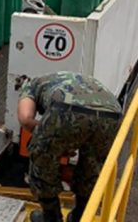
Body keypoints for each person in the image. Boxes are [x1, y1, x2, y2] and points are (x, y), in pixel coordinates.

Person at [17, 72, 121, 222]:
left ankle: (51, 218)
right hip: (113, 113)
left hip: (67, 109)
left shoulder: (31, 86)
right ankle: (80, 216)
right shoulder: (64, 79)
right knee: (92, 166)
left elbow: (26, 119)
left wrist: (54, 141)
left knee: (42, 160)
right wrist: (66, 141)